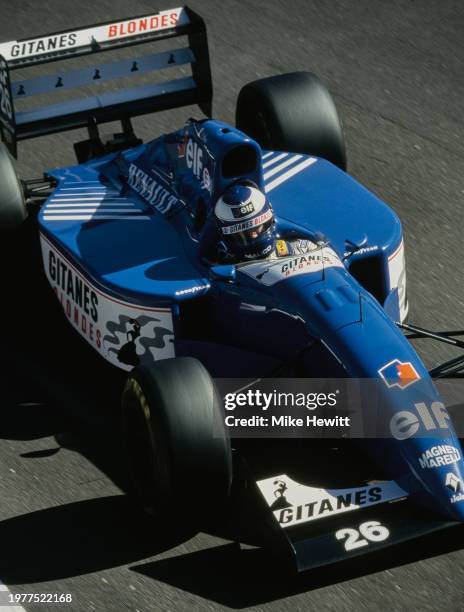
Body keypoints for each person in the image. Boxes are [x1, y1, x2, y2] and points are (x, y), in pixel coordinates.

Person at [199, 182, 318, 263]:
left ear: (269, 220)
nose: (254, 235)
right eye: (244, 233)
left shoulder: (300, 249)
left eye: (256, 227)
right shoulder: (223, 265)